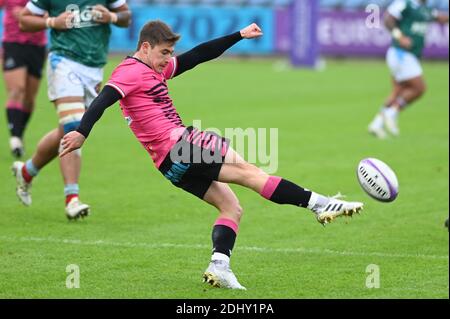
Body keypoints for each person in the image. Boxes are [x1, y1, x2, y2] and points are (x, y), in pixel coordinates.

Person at [59, 20, 364, 290]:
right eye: (164, 53)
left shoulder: (154, 68)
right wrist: (82, 131)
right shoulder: (129, 71)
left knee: (231, 207)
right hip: (181, 144)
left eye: (169, 54)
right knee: (250, 173)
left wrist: (239, 35)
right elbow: (101, 101)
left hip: (169, 165)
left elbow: (196, 56)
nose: (168, 60)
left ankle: (219, 266)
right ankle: (320, 204)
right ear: (145, 47)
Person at [12, 0, 131, 218]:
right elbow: (24, 20)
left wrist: (111, 17)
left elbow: (126, 17)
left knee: (65, 131)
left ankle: (27, 171)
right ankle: (72, 199)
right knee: (74, 127)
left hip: (94, 67)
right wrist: (52, 21)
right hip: (64, 61)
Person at [368, 0, 449, 139]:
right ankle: (392, 112)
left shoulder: (425, 10)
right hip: (401, 53)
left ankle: (377, 123)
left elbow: (440, 17)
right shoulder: (405, 3)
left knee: (398, 91)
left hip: (408, 56)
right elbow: (388, 19)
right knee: (419, 88)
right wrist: (400, 36)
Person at [0, 0, 46, 158]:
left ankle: (19, 133)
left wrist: (36, 16)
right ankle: (15, 139)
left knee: (29, 99)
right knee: (17, 89)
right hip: (13, 43)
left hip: (37, 45)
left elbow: (55, 12)